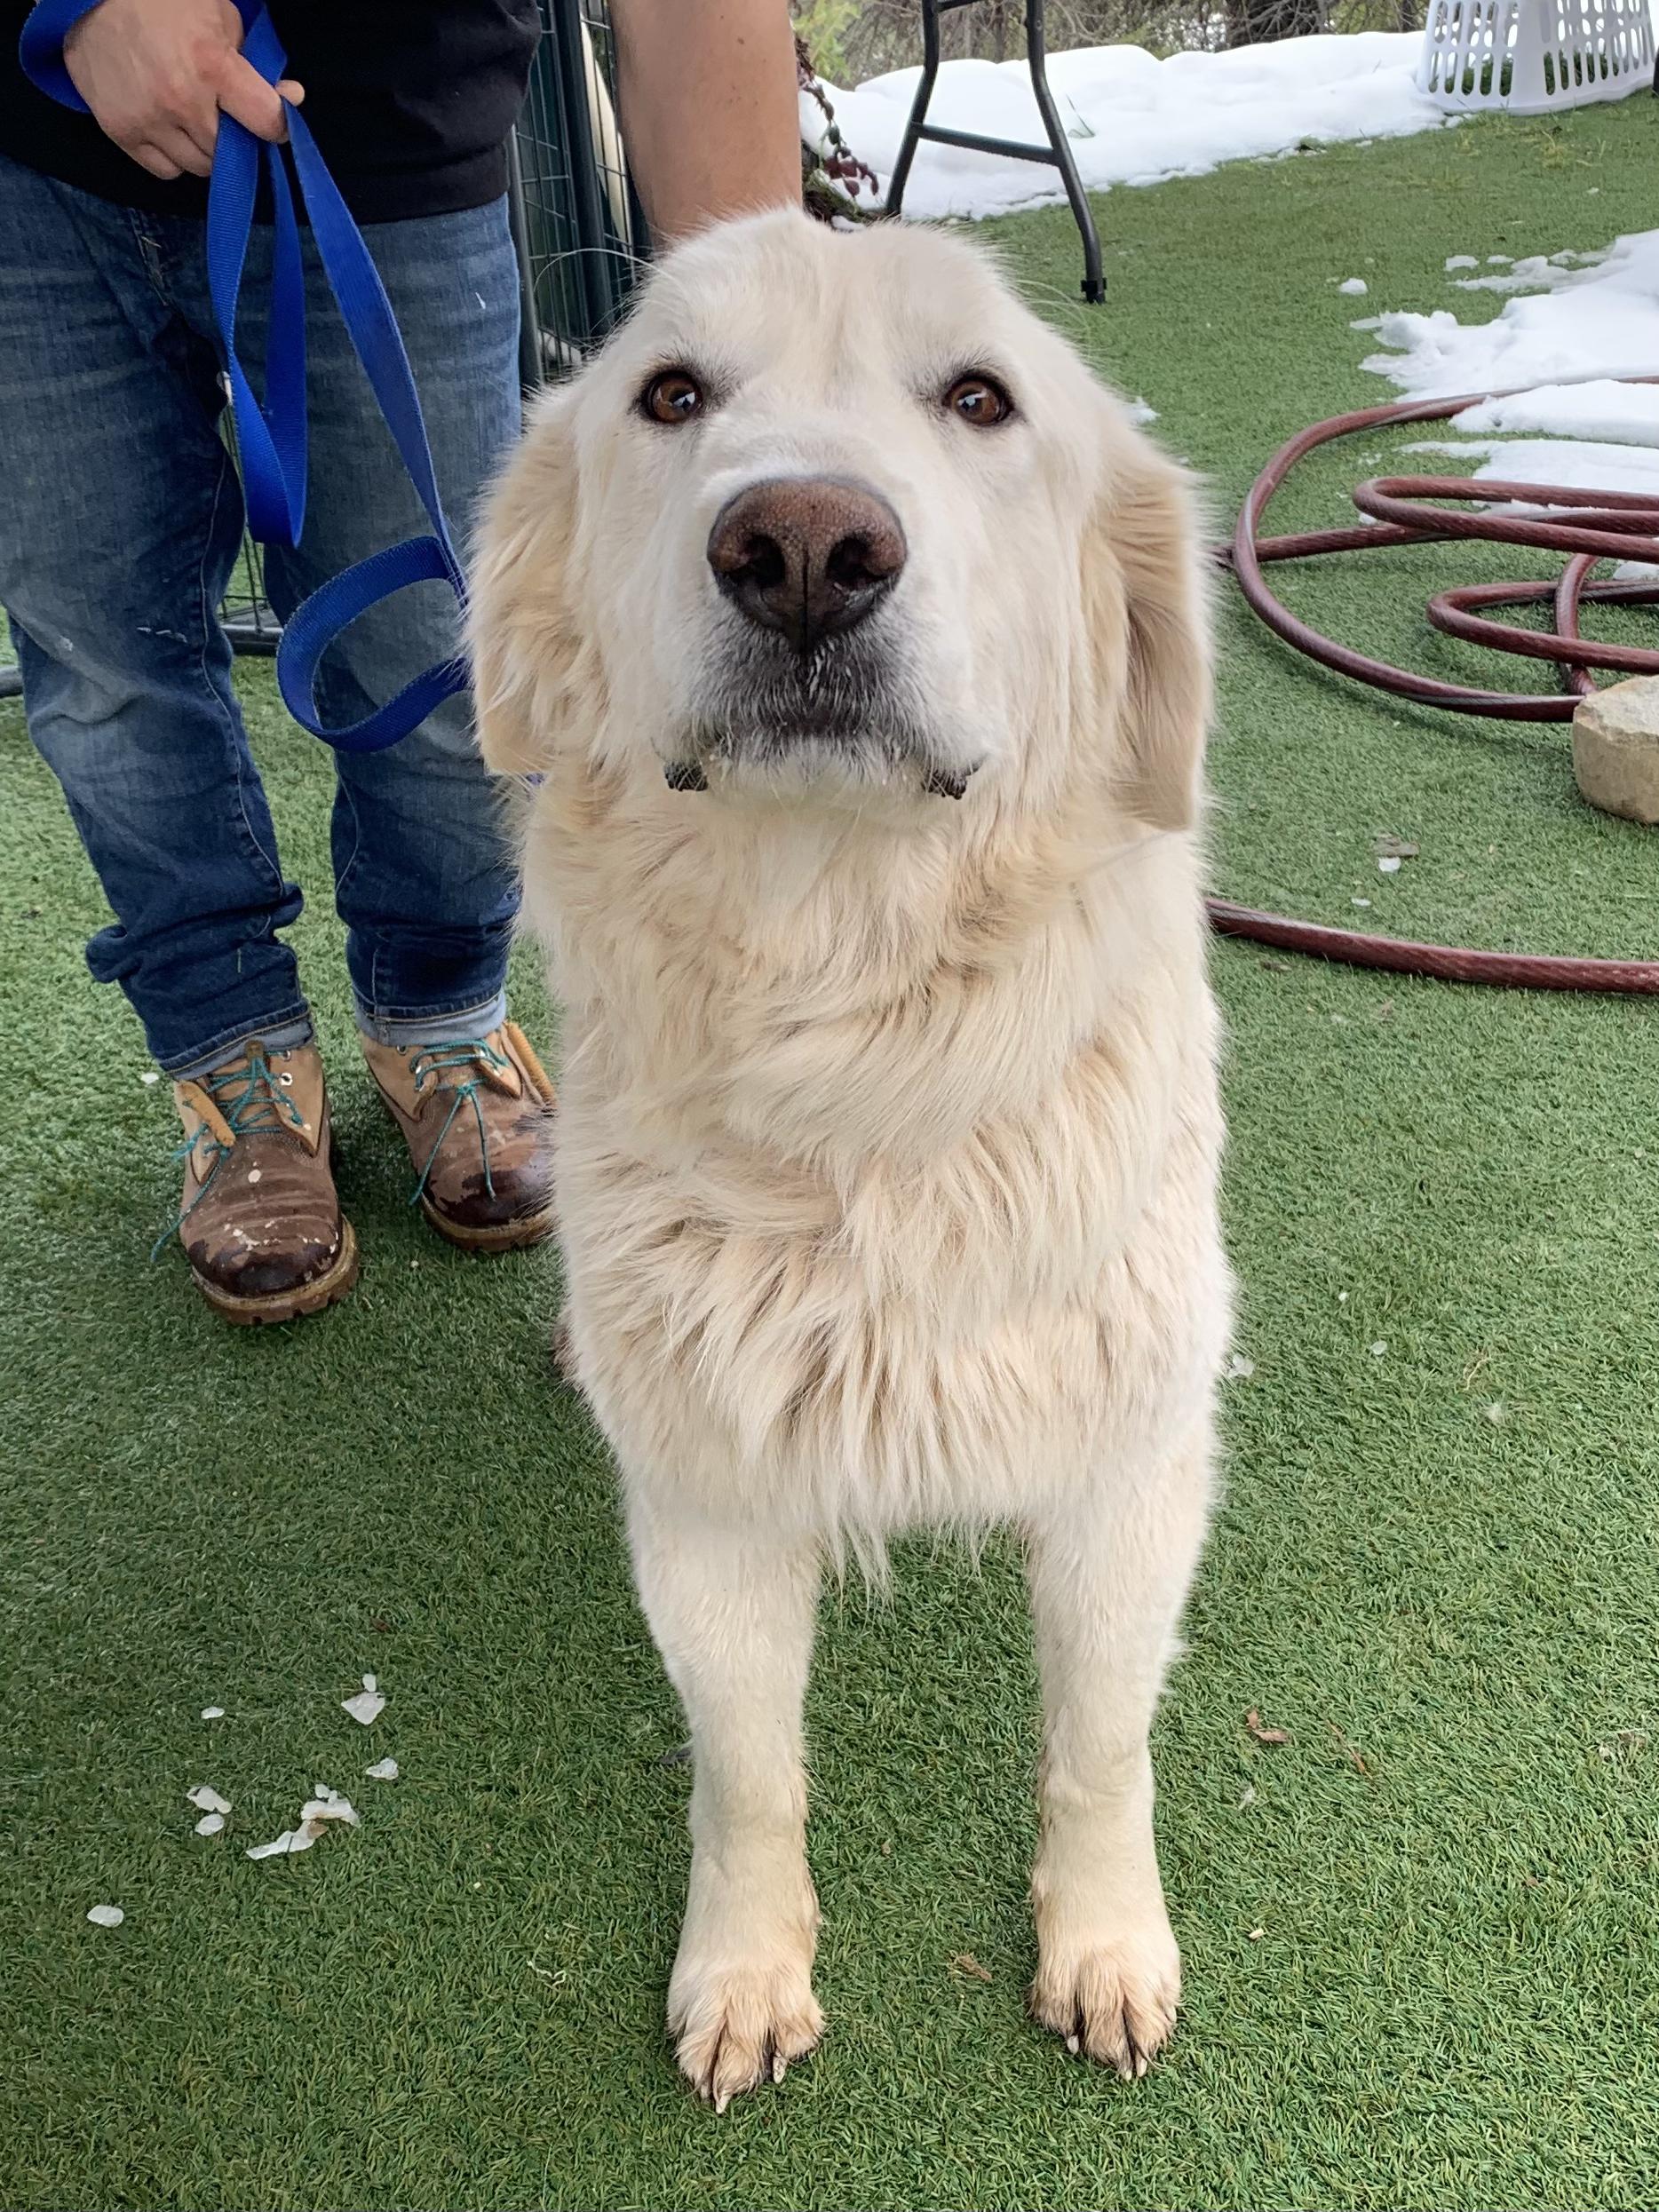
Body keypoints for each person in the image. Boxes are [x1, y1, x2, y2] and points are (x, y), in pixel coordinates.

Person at [0, 0, 800, 1321]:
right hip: (32, 161)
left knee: (436, 650)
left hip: (388, 130)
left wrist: (773, 350)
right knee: (101, 665)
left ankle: (439, 1009)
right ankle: (232, 1053)